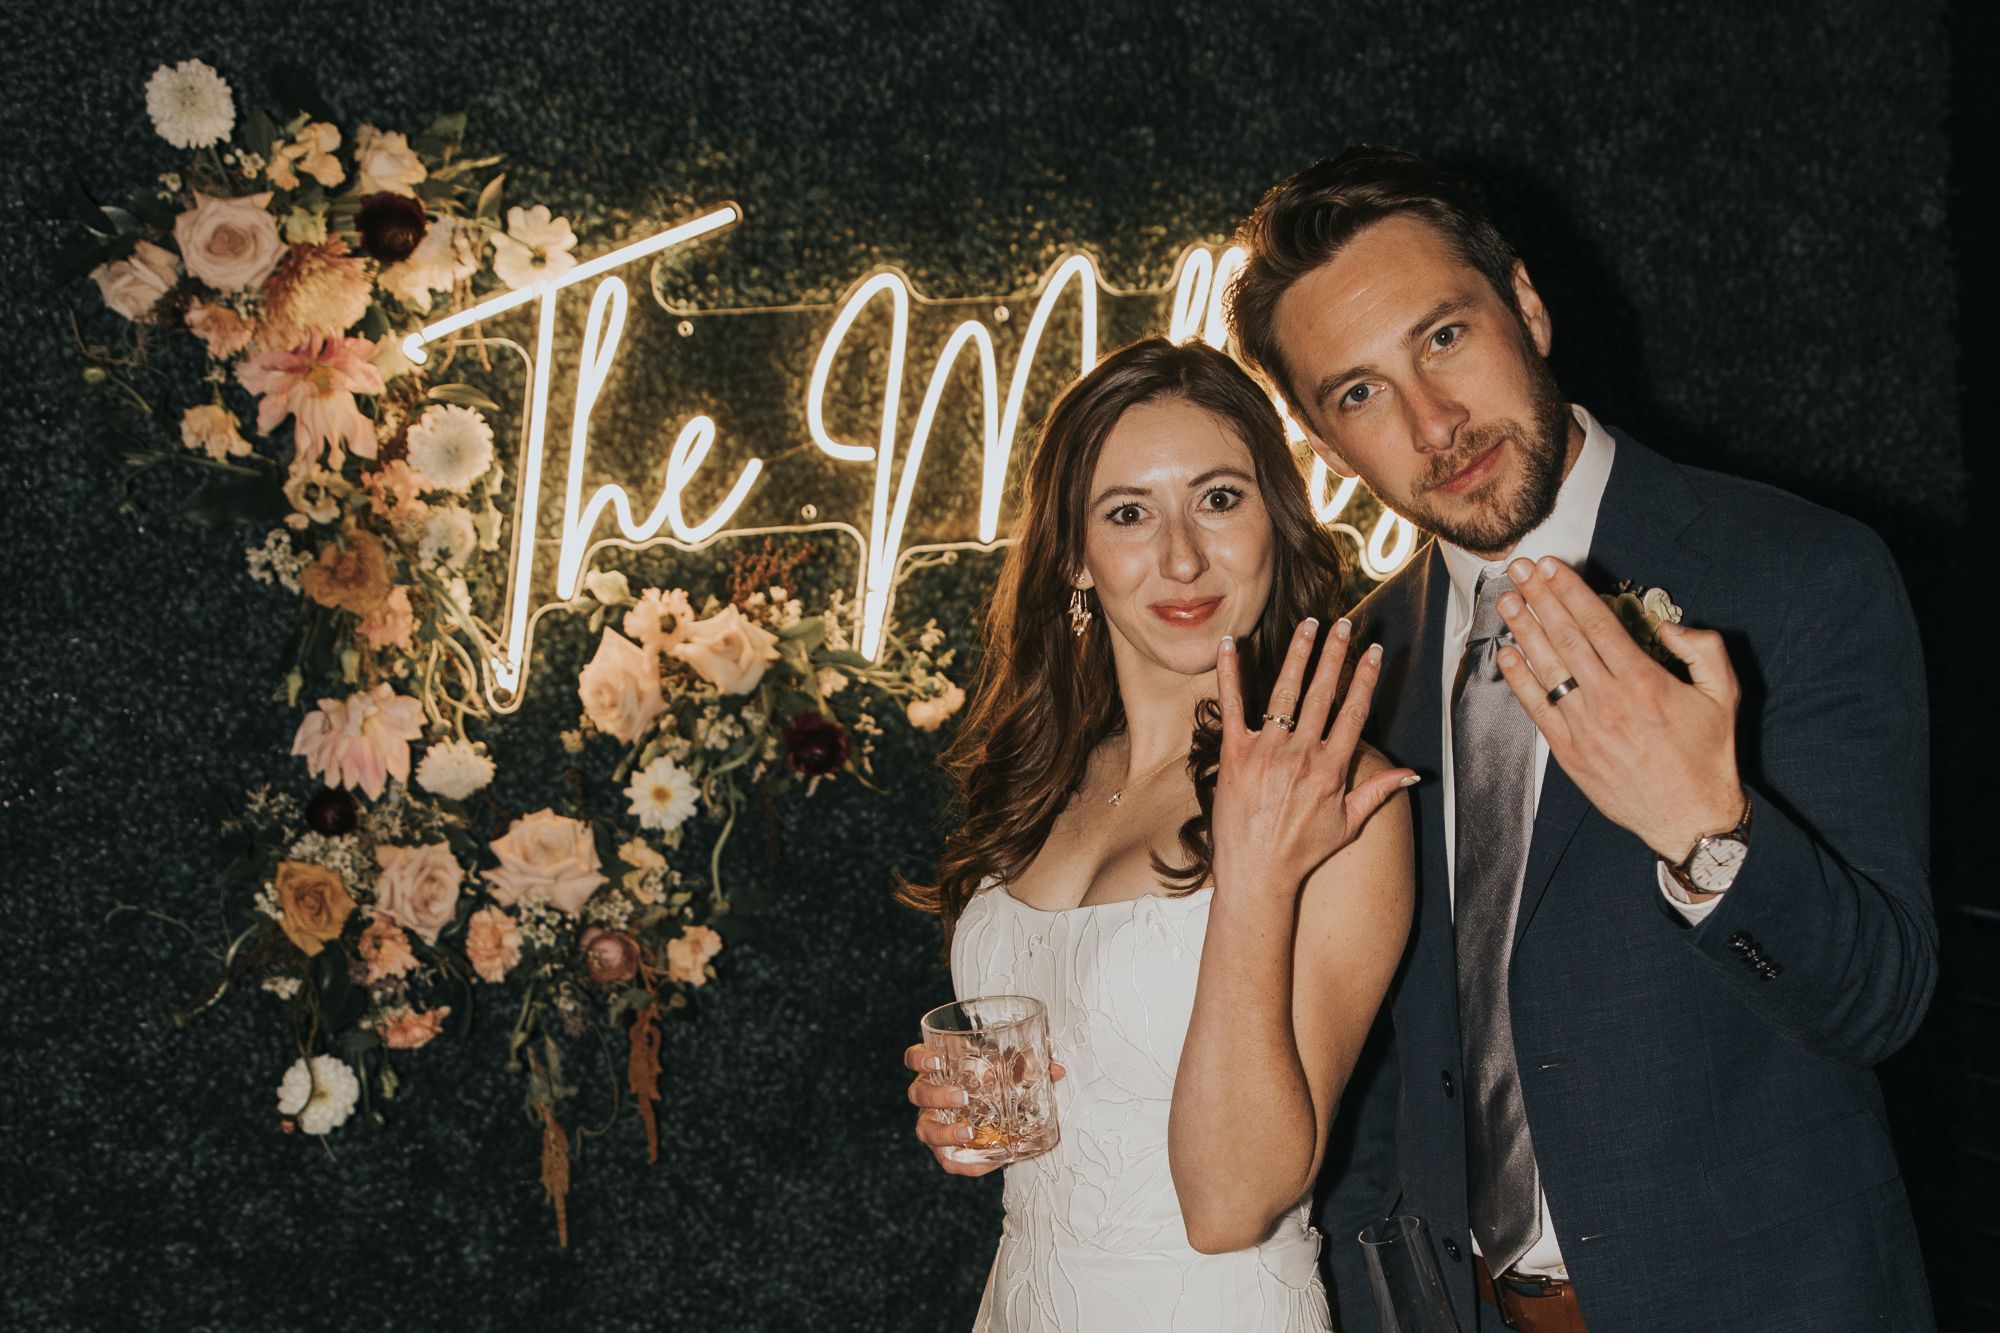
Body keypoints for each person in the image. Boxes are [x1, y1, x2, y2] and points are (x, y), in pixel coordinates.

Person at [1226, 146, 1937, 1332]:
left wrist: (1706, 834)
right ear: (1321, 441)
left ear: (1527, 307)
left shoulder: (1798, 570)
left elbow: (1880, 1000)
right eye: (1357, 394)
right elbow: (1375, 1079)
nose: (1433, 422)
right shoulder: (1362, 668)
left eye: (1442, 337)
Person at [899, 336, 1418, 1331]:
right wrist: (967, 1116)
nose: (1181, 556)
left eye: (1219, 498)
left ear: (1275, 519)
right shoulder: (1042, 782)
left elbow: (1234, 1205)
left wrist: (1257, 874)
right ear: (1072, 557)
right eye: (1128, 513)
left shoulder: (1331, 791)